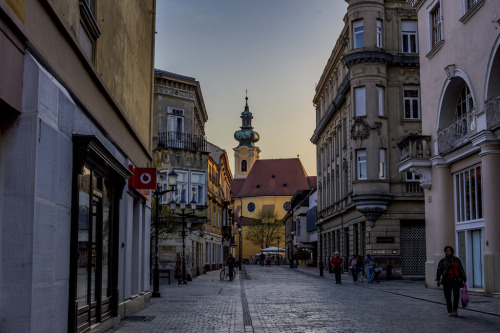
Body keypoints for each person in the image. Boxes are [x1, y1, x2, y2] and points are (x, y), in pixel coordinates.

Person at [435, 246, 467, 317]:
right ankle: (449, 310)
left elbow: (461, 269)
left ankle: (455, 309)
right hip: (447, 280)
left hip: (456, 280)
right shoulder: (442, 261)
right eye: (446, 251)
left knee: (456, 295)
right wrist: (438, 279)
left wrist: (464, 278)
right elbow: (439, 270)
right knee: (448, 296)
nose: (447, 252)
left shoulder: (457, 260)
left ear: (452, 252)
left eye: (448, 251)